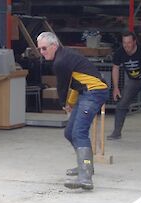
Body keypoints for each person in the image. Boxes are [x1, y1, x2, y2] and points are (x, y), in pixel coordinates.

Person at [37, 32, 109, 190]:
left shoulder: (60, 61)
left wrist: (64, 103)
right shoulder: (65, 55)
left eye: (44, 48)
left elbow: (63, 86)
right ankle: (85, 166)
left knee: (79, 132)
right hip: (86, 92)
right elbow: (76, 82)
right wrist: (70, 103)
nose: (42, 52)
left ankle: (85, 178)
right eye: (40, 49)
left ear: (54, 46)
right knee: (69, 132)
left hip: (94, 91)